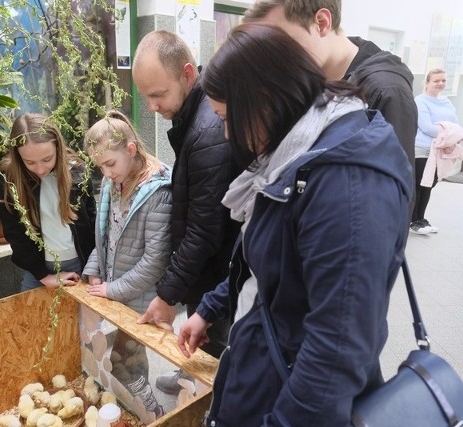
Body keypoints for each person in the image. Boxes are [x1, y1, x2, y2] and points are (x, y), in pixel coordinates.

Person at [178, 23, 412, 426]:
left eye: (228, 117)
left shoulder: (346, 180)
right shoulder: (293, 154)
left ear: (265, 97)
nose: (229, 133)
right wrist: (213, 306)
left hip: (286, 395)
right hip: (262, 370)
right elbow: (265, 258)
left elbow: (337, 351)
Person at [131, 30, 241, 394]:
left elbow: (204, 230)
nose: (151, 108)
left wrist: (166, 296)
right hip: (206, 274)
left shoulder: (208, 131)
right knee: (200, 343)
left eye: (158, 95)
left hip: (216, 273)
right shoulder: (195, 117)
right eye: (146, 97)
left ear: (188, 74)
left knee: (214, 352)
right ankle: (189, 380)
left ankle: (205, 399)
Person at [244, 0, 417, 219]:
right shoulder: (311, 79)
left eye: (283, 44)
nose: (277, 58)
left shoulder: (385, 90)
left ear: (322, 23)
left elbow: (394, 204)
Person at [82, 110, 172, 419]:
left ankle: (154, 413)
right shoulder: (113, 182)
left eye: (110, 164)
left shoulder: (159, 191)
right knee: (120, 357)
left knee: (129, 360)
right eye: (100, 166)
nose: (106, 173)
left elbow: (155, 261)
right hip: (115, 291)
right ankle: (140, 406)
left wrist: (112, 289)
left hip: (139, 296)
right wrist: (94, 269)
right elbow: (105, 235)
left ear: (131, 150)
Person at [0, 113, 96, 292]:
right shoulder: (8, 181)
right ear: (18, 157)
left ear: (58, 148)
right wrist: (43, 276)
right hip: (38, 270)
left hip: (84, 264)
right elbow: (16, 234)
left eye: (47, 159)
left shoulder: (78, 171)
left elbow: (93, 224)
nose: (40, 169)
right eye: (30, 162)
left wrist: (95, 267)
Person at [410, 68, 459, 234]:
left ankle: (420, 219)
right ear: (427, 82)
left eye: (443, 80)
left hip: (440, 150)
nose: (440, 83)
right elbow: (426, 127)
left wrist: (450, 135)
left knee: (429, 185)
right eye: (436, 80)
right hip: (423, 149)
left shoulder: (447, 102)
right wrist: (449, 132)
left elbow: (456, 126)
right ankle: (412, 220)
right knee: (419, 185)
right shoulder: (420, 101)